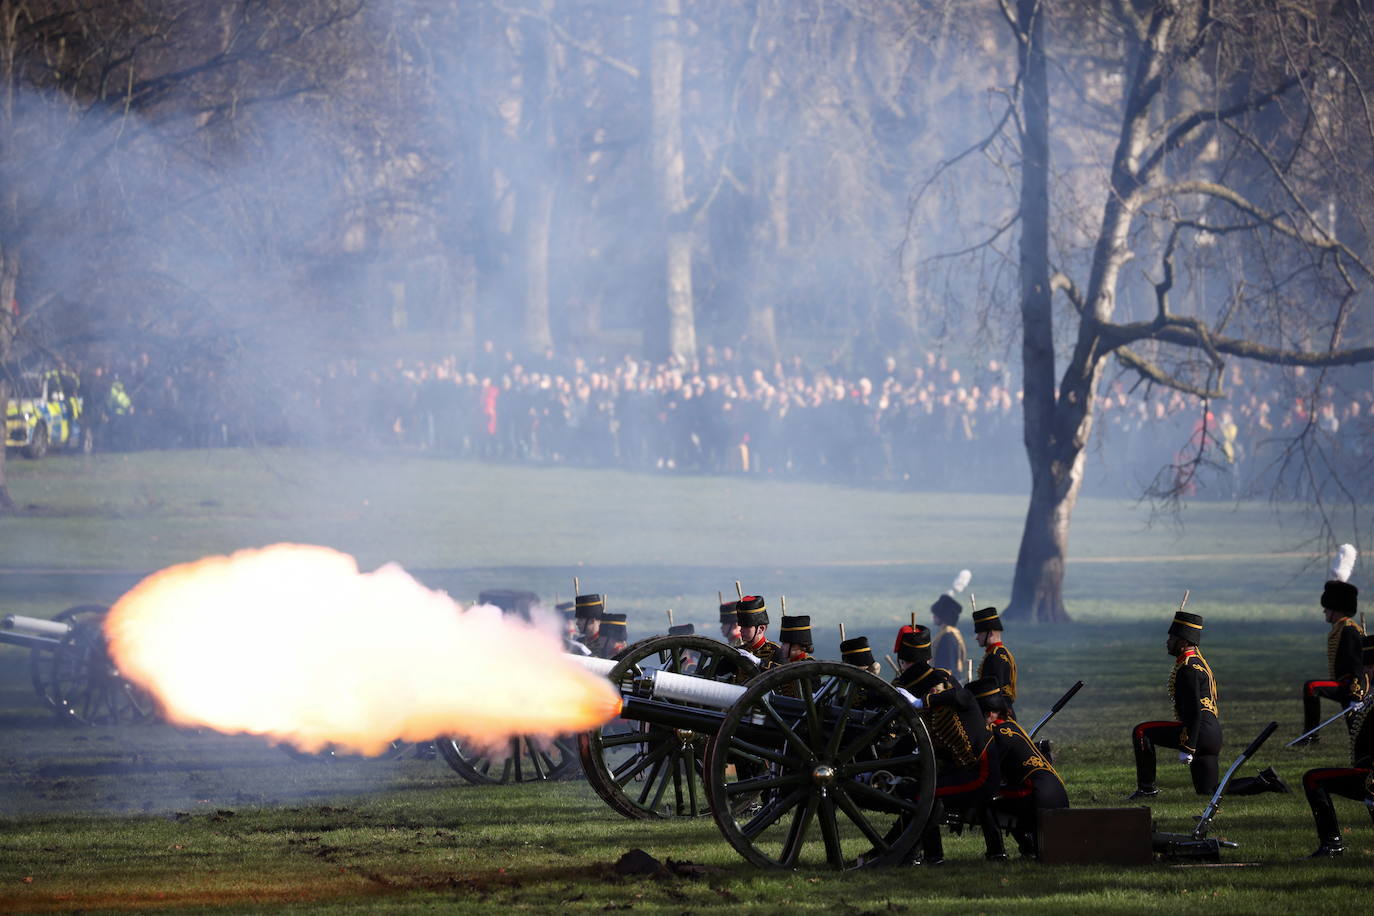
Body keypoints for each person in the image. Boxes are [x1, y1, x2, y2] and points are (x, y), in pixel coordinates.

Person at [1128, 610, 1288, 799]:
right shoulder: (1196, 662)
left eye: (1172, 638)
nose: (1167, 642)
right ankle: (1264, 782)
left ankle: (1147, 789)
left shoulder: (1188, 669)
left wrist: (1189, 745)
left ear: (1183, 642)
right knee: (1210, 791)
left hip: (1199, 732)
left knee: (1142, 731)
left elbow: (1195, 711)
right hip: (1211, 735)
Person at [973, 677, 1069, 858]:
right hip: (1054, 793)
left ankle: (997, 853)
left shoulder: (997, 734)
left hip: (1037, 796)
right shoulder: (1012, 727)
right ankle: (1029, 846)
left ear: (989, 714)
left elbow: (986, 774)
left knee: (985, 799)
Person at [1300, 635, 1374, 858]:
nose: (1368, 672)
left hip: (1371, 776)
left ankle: (1332, 844)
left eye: (1371, 666)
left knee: (1313, 779)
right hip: (1368, 773)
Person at [1297, 566, 1366, 745]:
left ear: (1337, 609)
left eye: (1327, 608)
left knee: (1311, 687)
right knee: (1357, 734)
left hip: (1350, 686)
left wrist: (1357, 694)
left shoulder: (1349, 630)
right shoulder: (1340, 628)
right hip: (1345, 684)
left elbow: (1357, 664)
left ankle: (1311, 736)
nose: (1324, 611)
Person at [973, 606, 1016, 720]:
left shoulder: (994, 657)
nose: (977, 638)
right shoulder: (1000, 652)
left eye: (980, 633)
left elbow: (992, 694)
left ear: (990, 633)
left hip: (998, 717)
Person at [930, 593, 968, 682]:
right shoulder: (951, 633)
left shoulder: (947, 637)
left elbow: (947, 666)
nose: (933, 617)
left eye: (936, 614)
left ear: (943, 616)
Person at [736, 596, 780, 668]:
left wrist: (759, 662)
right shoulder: (739, 651)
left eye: (746, 627)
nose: (741, 630)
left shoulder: (777, 652)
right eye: (741, 626)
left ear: (761, 629)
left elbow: (783, 673)